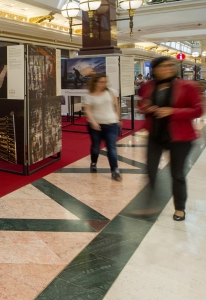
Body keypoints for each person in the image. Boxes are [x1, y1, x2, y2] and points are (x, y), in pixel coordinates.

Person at [138, 56, 203, 221]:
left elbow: (197, 110)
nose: (167, 68)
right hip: (155, 134)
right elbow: (142, 104)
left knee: (177, 174)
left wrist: (173, 111)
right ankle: (151, 204)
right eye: (163, 66)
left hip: (180, 137)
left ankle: (180, 208)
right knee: (150, 170)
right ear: (155, 70)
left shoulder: (187, 86)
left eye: (170, 65)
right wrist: (146, 107)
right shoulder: (148, 86)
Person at [83, 74, 122, 181]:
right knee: (96, 147)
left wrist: (118, 119)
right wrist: (93, 122)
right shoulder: (89, 95)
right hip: (96, 126)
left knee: (111, 147)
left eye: (105, 82)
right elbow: (88, 110)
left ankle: (115, 171)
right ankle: (93, 162)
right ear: (95, 83)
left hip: (111, 124)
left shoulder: (111, 92)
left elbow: (116, 105)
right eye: (101, 82)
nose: (104, 84)